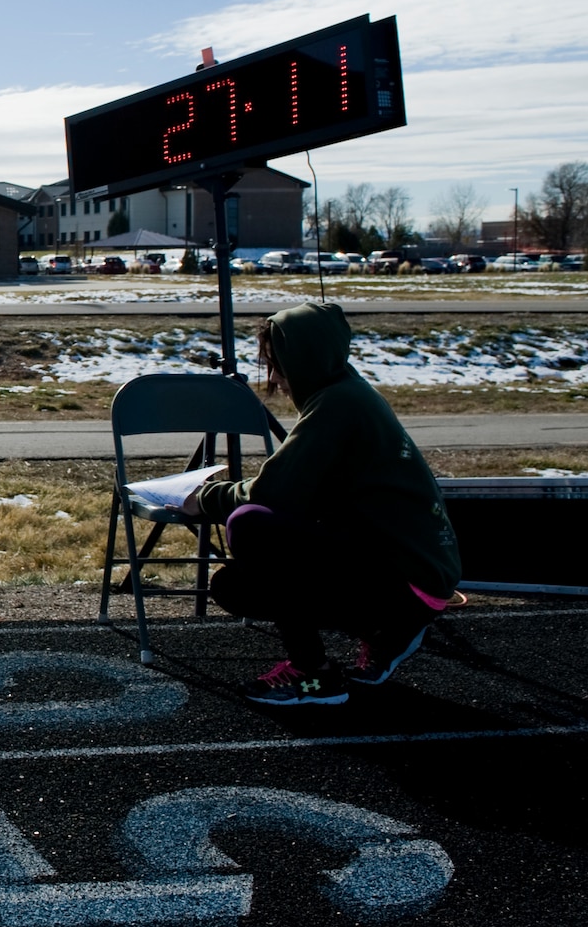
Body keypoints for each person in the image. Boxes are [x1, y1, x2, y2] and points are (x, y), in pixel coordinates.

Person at [183, 302, 459, 705]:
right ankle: (386, 633)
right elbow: (300, 492)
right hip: (417, 575)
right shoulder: (350, 393)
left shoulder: (337, 406)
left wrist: (202, 499)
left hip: (408, 580)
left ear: (303, 360)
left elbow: (268, 494)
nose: (276, 378)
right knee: (235, 586)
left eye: (278, 365)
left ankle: (316, 676)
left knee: (249, 524)